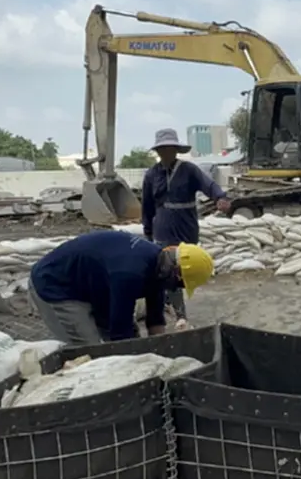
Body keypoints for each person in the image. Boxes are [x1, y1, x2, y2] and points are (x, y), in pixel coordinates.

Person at [28, 230, 215, 345]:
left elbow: (155, 319)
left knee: (128, 339)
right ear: (173, 271)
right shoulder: (130, 274)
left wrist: (159, 351)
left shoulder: (157, 266)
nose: (175, 289)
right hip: (56, 286)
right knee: (90, 352)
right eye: (179, 284)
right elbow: (120, 334)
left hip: (92, 287)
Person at [141, 128, 231, 325]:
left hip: (186, 225)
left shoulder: (189, 170)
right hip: (163, 226)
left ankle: (172, 304)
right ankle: (179, 313)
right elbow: (147, 205)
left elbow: (209, 185)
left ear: (176, 149)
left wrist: (220, 197)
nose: (166, 152)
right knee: (167, 268)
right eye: (162, 149)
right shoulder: (151, 175)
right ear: (157, 151)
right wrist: (147, 230)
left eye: (170, 148)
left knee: (182, 267)